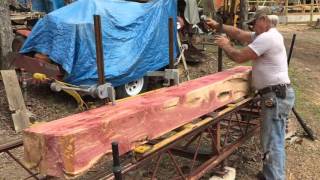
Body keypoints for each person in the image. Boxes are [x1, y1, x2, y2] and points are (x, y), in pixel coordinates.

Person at [205, 7, 295, 180]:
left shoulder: (267, 38)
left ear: (264, 20)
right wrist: (218, 26)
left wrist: (226, 45)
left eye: (254, 23)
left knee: (272, 139)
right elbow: (239, 33)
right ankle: (271, 174)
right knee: (273, 137)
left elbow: (239, 56)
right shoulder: (266, 35)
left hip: (275, 96)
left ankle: (274, 177)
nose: (252, 27)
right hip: (277, 94)